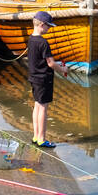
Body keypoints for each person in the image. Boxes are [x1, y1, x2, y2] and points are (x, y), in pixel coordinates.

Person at [27, 11, 69, 148]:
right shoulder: (43, 42)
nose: (49, 29)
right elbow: (50, 63)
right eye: (48, 27)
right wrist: (62, 70)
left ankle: (35, 136)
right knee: (43, 108)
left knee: (37, 106)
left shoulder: (31, 39)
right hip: (44, 79)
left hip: (33, 77)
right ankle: (42, 139)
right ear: (42, 25)